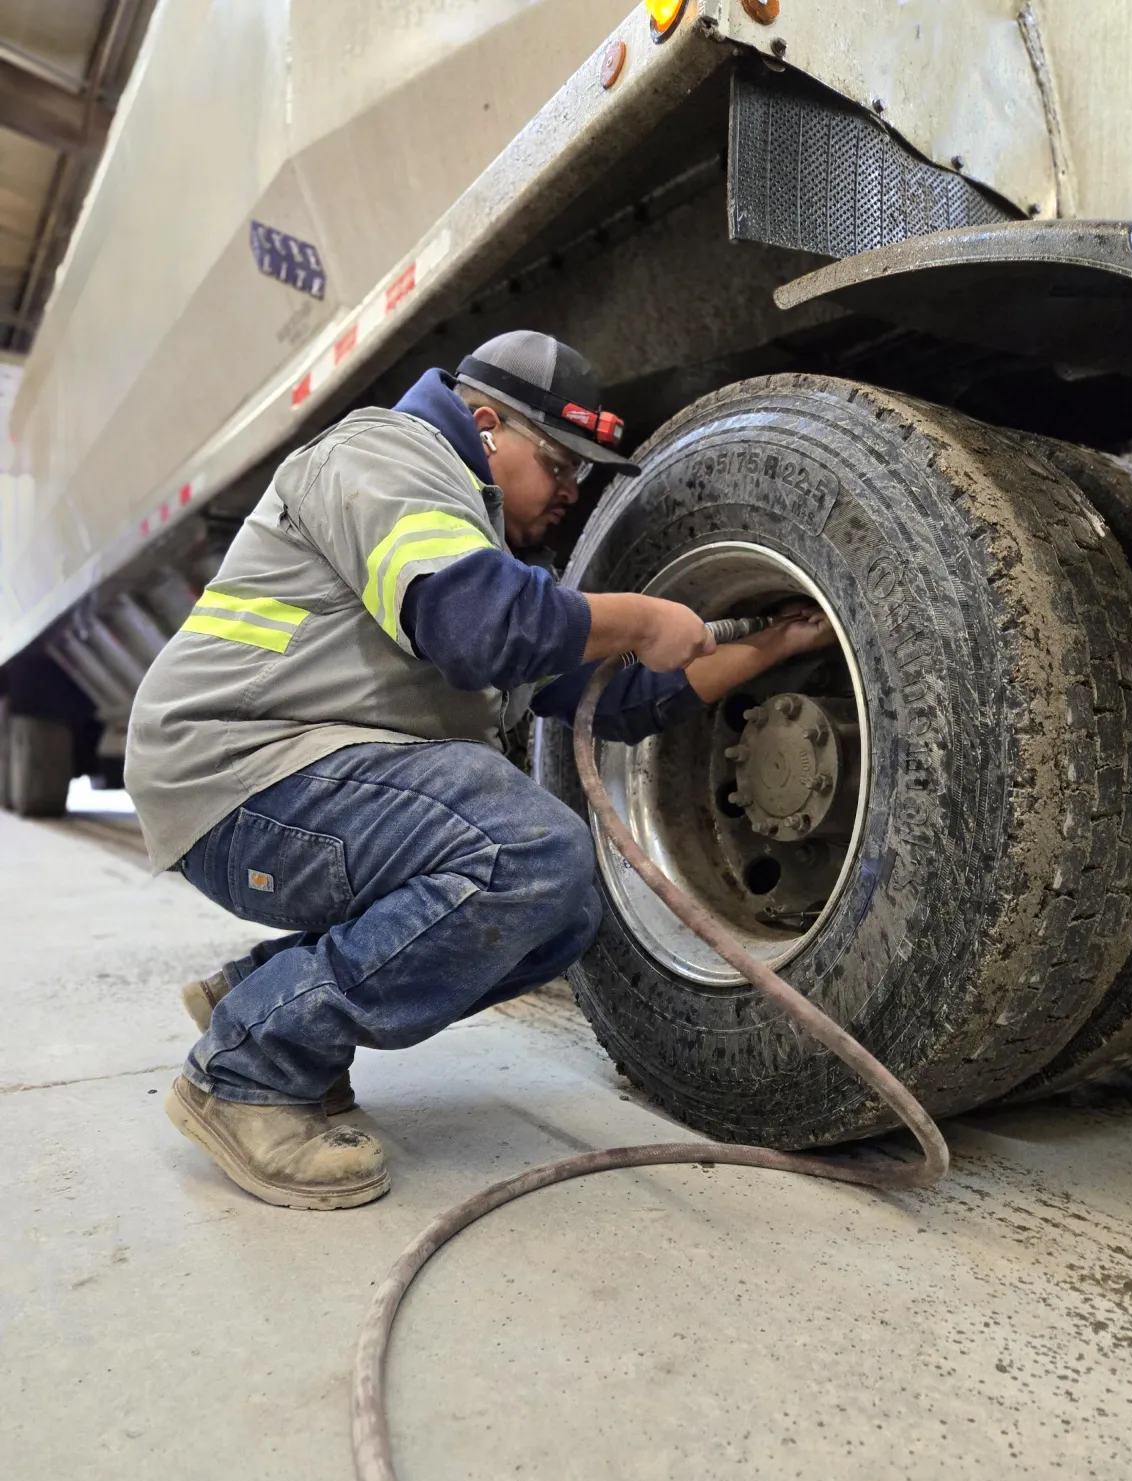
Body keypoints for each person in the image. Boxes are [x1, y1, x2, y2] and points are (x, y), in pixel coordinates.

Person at [125, 331, 835, 1210]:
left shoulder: (481, 548)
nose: (573, 495)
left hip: (304, 779)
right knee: (527, 852)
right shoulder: (385, 456)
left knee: (562, 912)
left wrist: (775, 644)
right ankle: (249, 1071)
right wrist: (640, 613)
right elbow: (475, 623)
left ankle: (264, 991)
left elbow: (613, 701)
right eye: (560, 464)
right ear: (486, 422)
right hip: (234, 769)